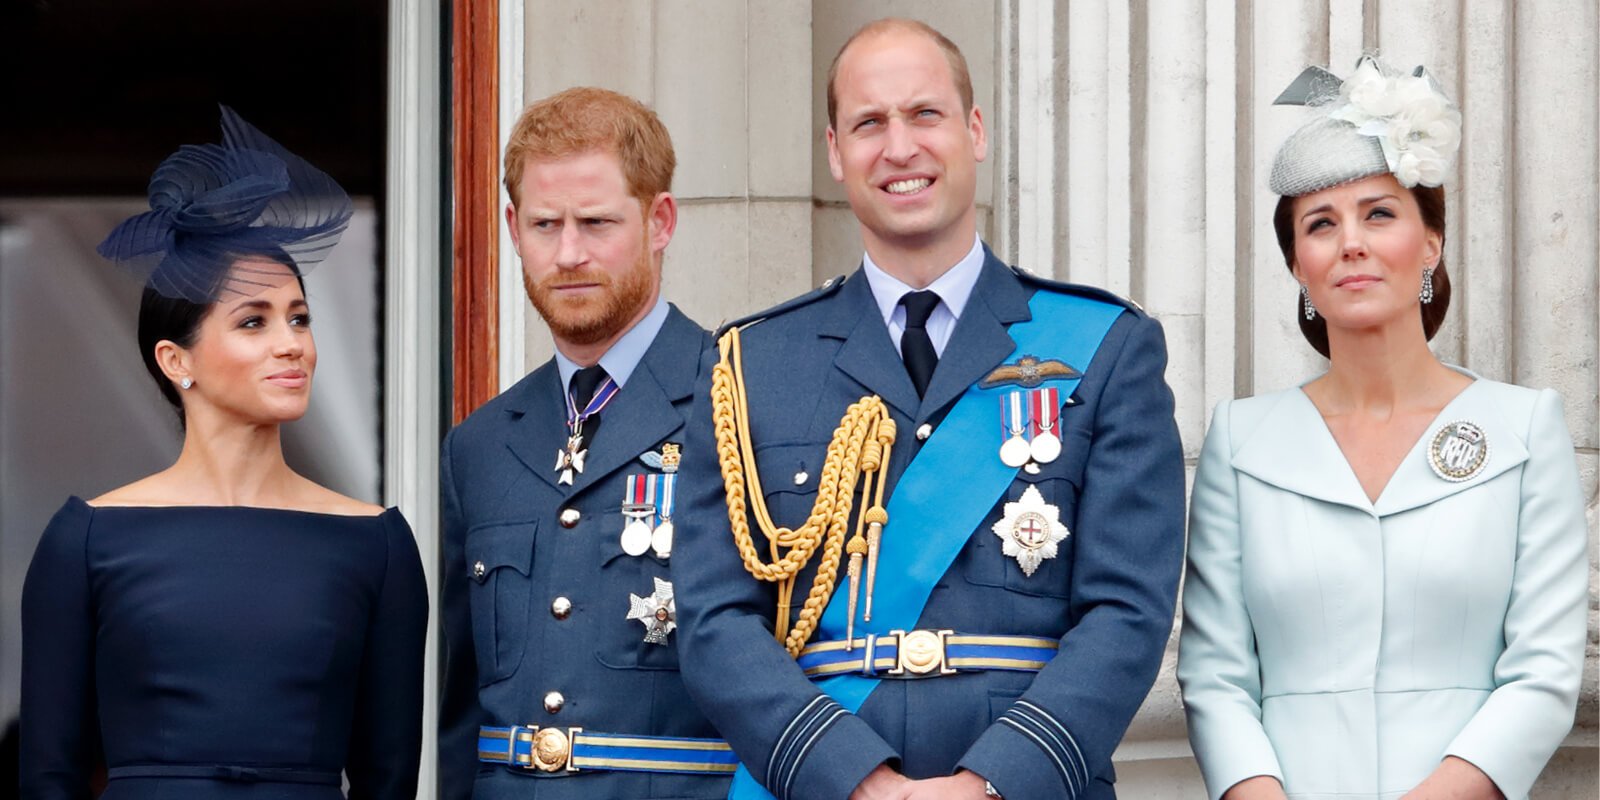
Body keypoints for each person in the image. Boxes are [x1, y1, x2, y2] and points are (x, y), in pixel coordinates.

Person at [671, 18, 1185, 800]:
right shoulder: (750, 365)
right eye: (869, 123)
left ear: (974, 132)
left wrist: (990, 783)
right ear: (836, 152)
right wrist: (856, 779)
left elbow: (1127, 612)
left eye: (924, 114)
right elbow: (713, 622)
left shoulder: (1106, 346)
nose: (899, 147)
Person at [1178, 58, 1589, 800]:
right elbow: (1215, 674)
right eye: (1321, 225)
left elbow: (1544, 672)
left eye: (1379, 213)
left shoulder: (1524, 429)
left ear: (1430, 244)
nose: (1351, 244)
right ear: (1299, 266)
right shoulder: (1241, 442)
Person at [20, 107, 428, 798]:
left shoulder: (376, 544)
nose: (291, 342)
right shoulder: (85, 539)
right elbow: (48, 777)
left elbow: (388, 779)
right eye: (253, 321)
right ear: (177, 360)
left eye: (300, 317)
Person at [438, 87, 733, 799]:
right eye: (545, 224)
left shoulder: (742, 404)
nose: (568, 253)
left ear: (660, 221)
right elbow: (461, 720)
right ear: (513, 228)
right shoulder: (478, 446)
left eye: (596, 223)